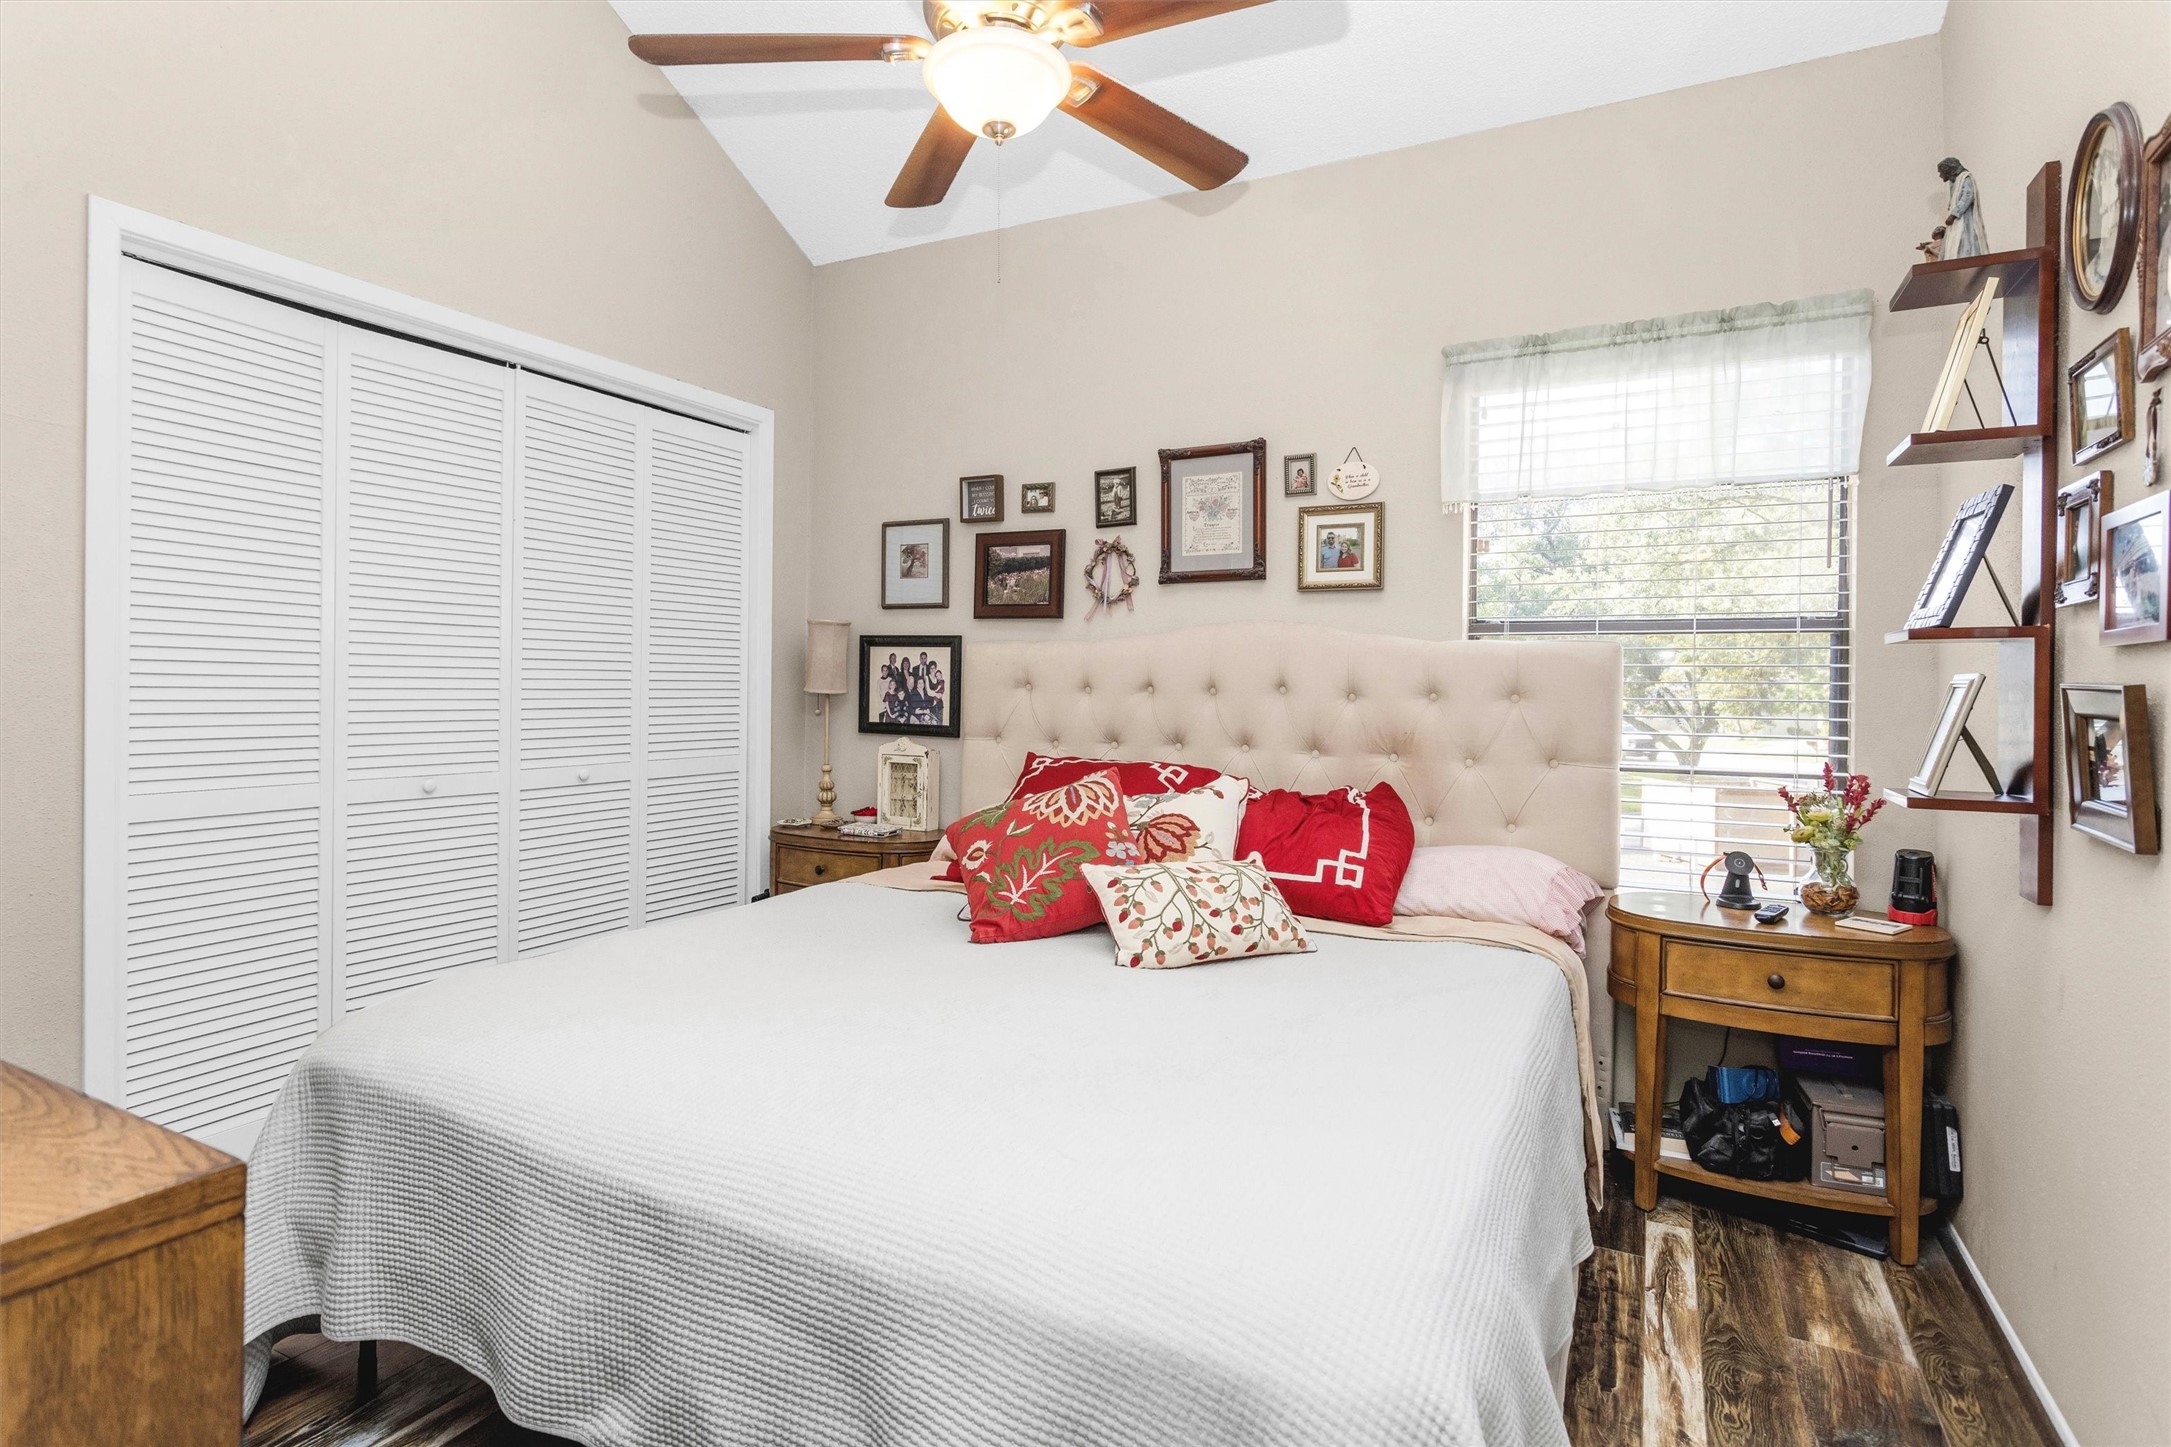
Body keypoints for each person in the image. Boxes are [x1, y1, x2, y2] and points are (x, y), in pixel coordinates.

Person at [1935, 158, 1988, 260]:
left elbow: (1968, 196)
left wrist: (1954, 214)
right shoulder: (1954, 182)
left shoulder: (1965, 178)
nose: (1940, 175)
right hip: (1956, 223)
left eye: (1941, 172)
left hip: (1965, 221)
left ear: (1948, 170)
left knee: (1966, 242)